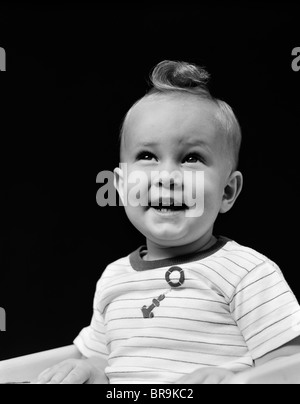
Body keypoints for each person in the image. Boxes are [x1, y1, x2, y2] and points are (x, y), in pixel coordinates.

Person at [37, 60, 300, 384]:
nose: (167, 176)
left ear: (227, 191)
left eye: (192, 158)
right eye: (147, 156)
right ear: (120, 186)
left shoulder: (247, 274)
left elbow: (289, 366)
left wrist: (236, 378)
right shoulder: (113, 280)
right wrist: (90, 369)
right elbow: (103, 360)